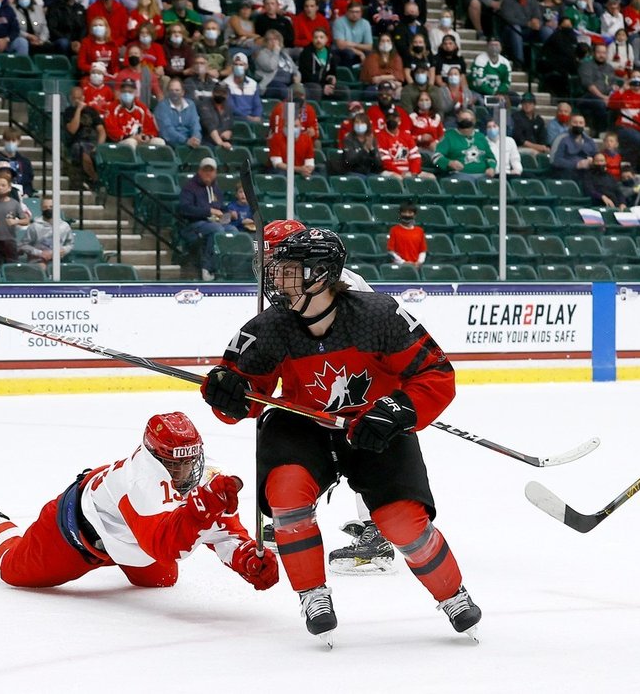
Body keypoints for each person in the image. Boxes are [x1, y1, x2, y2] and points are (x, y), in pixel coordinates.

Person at [200, 221, 481, 645]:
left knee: (401, 520)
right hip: (303, 426)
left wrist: (399, 409)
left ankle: (452, 594)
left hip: (371, 425)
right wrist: (228, 394)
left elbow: (435, 375)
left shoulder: (378, 316)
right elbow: (247, 399)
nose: (277, 279)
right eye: (277, 270)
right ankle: (312, 593)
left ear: (321, 274)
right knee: (287, 494)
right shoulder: (267, 328)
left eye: (288, 270)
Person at [0, 412, 279, 594]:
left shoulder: (207, 476)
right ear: (153, 456)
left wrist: (246, 559)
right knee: (14, 570)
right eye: (173, 463)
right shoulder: (138, 481)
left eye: (189, 460)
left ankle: (123, 556)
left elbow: (223, 533)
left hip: (132, 542)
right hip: (75, 536)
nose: (184, 471)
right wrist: (199, 510)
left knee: (162, 582)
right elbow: (162, 544)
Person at [178, 157, 238, 281]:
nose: (208, 173)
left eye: (211, 171)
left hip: (215, 223)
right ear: (199, 171)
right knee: (216, 229)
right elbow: (185, 209)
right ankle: (207, 268)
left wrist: (229, 213)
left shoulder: (216, 189)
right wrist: (208, 211)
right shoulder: (189, 187)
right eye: (205, 170)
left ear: (215, 173)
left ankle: (229, 268)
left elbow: (221, 208)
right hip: (193, 225)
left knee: (232, 230)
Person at [63, 85, 106, 192]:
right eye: (74, 98)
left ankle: (95, 179)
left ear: (83, 97)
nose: (77, 100)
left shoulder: (92, 111)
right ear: (71, 99)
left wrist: (99, 146)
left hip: (92, 142)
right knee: (82, 150)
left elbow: (101, 131)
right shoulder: (69, 111)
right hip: (77, 143)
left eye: (79, 97)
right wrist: (78, 110)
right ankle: (96, 178)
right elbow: (72, 129)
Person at [432, 108, 496, 179]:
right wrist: (450, 163)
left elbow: (491, 158)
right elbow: (436, 157)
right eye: (462, 120)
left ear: (474, 121)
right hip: (459, 176)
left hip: (483, 176)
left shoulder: (481, 137)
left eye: (468, 120)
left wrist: (491, 168)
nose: (465, 123)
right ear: (458, 121)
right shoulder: (449, 136)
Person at [105, 79, 165, 148]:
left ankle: (153, 159)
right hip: (122, 141)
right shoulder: (112, 107)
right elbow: (111, 129)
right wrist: (131, 137)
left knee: (159, 142)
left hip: (141, 139)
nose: (127, 94)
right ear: (120, 92)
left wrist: (147, 136)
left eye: (130, 92)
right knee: (131, 142)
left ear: (135, 92)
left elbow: (151, 128)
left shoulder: (142, 108)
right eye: (124, 91)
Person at [19, 196, 74, 268]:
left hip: (58, 261)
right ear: (41, 208)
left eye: (51, 207)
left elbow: (70, 244)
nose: (48, 209)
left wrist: (64, 250)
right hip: (37, 260)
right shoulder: (34, 226)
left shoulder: (64, 226)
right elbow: (23, 245)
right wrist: (40, 253)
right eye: (45, 207)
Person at [376, 109, 427, 178]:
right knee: (398, 178)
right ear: (385, 120)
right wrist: (400, 173)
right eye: (389, 118)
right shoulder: (380, 136)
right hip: (390, 171)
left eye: (394, 118)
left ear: (399, 121)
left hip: (409, 171)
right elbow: (385, 162)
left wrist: (413, 172)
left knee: (430, 177)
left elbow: (416, 157)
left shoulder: (406, 136)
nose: (391, 120)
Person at [0, 129, 35, 197]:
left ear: (19, 142)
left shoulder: (24, 162)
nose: (11, 143)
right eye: (8, 140)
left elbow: (28, 182)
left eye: (13, 141)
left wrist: (27, 193)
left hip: (20, 194)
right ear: (3, 141)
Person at [154, 79, 202, 148]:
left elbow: (195, 124)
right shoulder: (162, 106)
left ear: (183, 92)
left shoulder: (190, 104)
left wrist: (196, 138)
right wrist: (185, 141)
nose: (174, 93)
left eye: (177, 90)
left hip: (191, 144)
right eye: (171, 90)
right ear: (168, 92)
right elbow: (167, 130)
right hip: (170, 146)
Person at [298, 27, 338, 101]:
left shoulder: (330, 53)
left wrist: (332, 77)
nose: (318, 40)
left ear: (326, 39)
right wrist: (323, 87)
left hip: (325, 84)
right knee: (317, 89)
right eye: (316, 37)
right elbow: (305, 76)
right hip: (309, 84)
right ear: (312, 39)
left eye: (321, 37)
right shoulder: (306, 53)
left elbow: (333, 71)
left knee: (344, 90)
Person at [333, 0, 374, 67]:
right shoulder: (339, 22)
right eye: (352, 11)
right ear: (347, 12)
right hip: (341, 52)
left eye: (357, 12)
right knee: (348, 53)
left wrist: (352, 44)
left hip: (357, 50)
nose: (354, 14)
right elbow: (340, 45)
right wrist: (359, 53)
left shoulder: (365, 23)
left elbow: (369, 46)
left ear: (361, 13)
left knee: (371, 54)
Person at [225, 53, 264, 123]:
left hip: (252, 118)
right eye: (236, 64)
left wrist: (257, 116)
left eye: (241, 65)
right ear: (232, 66)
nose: (238, 67)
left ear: (246, 66)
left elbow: (257, 104)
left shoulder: (253, 84)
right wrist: (247, 117)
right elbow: (230, 107)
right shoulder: (225, 84)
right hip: (235, 119)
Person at [387, 201, 426, 267]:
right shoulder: (394, 230)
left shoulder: (420, 231)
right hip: (400, 267)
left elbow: (422, 251)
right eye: (404, 212)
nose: (407, 215)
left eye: (410, 212)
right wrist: (403, 263)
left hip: (416, 267)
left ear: (414, 215)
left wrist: (419, 262)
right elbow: (391, 251)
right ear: (400, 214)